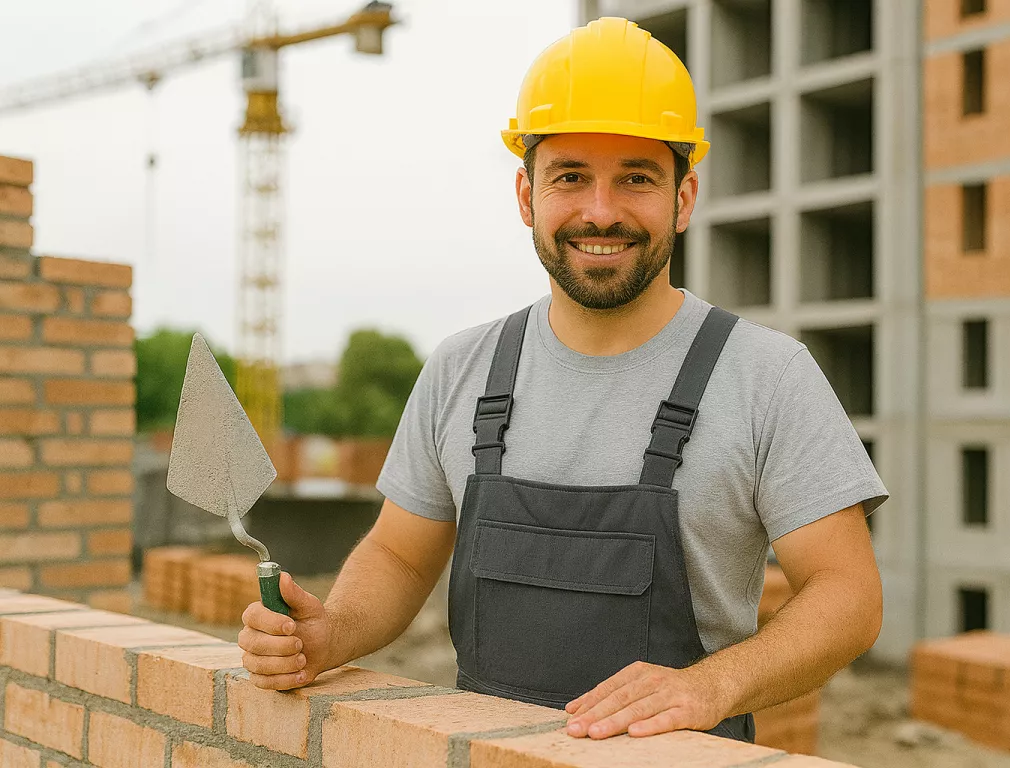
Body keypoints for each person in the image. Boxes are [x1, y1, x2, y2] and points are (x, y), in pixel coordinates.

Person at [239, 16, 888, 744]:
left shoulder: (768, 377)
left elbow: (848, 596)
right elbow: (397, 553)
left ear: (684, 197)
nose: (601, 211)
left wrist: (709, 687)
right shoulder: (462, 368)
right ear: (527, 196)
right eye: (570, 177)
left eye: (636, 179)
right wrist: (333, 633)